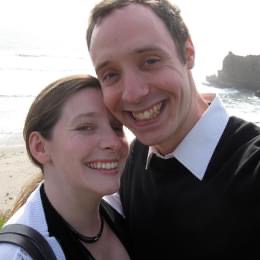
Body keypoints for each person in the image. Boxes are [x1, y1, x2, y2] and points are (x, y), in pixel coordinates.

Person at [86, 0, 260, 258]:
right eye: (111, 75)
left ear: (188, 53)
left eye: (150, 61)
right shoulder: (132, 163)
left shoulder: (251, 168)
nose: (133, 94)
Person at [0, 75, 131, 260]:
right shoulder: (18, 255)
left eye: (117, 127)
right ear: (40, 147)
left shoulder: (121, 210)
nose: (113, 142)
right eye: (86, 127)